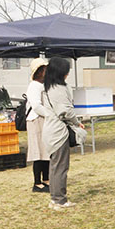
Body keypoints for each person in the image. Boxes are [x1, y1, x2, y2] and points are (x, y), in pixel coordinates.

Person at [36, 57, 86, 210]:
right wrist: (76, 122)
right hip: (58, 133)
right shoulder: (58, 89)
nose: (67, 74)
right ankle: (59, 200)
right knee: (60, 168)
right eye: (66, 71)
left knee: (55, 167)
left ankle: (55, 198)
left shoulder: (49, 87)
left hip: (52, 131)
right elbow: (66, 111)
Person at [25, 57, 50, 193]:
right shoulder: (34, 85)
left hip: (43, 120)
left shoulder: (42, 85)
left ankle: (46, 179)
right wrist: (50, 115)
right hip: (36, 120)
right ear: (39, 71)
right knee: (38, 152)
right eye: (45, 69)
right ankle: (37, 183)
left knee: (46, 150)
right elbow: (36, 106)